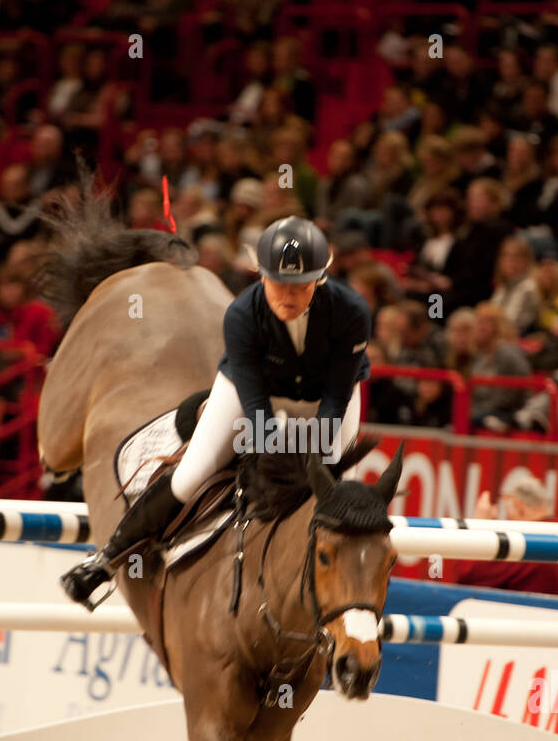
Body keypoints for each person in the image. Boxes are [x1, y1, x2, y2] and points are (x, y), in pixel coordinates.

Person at [62, 217, 371, 606]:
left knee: (339, 488)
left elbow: (334, 403)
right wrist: (276, 452)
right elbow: (256, 408)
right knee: (192, 473)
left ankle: (350, 604)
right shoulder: (242, 315)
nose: (288, 297)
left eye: (300, 285)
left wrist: (316, 467)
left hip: (328, 394)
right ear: (260, 276)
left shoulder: (352, 312)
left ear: (320, 279)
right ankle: (107, 559)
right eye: (279, 284)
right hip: (257, 390)